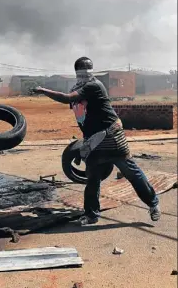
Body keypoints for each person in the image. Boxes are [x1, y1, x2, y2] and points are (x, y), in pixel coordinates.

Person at [32, 56, 160, 226]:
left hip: (112, 138)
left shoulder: (94, 86)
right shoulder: (79, 87)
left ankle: (153, 204)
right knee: (92, 178)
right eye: (82, 71)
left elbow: (67, 98)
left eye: (88, 71)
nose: (85, 74)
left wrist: (43, 90)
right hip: (94, 141)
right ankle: (91, 215)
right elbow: (83, 118)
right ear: (77, 72)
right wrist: (83, 145)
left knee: (132, 173)